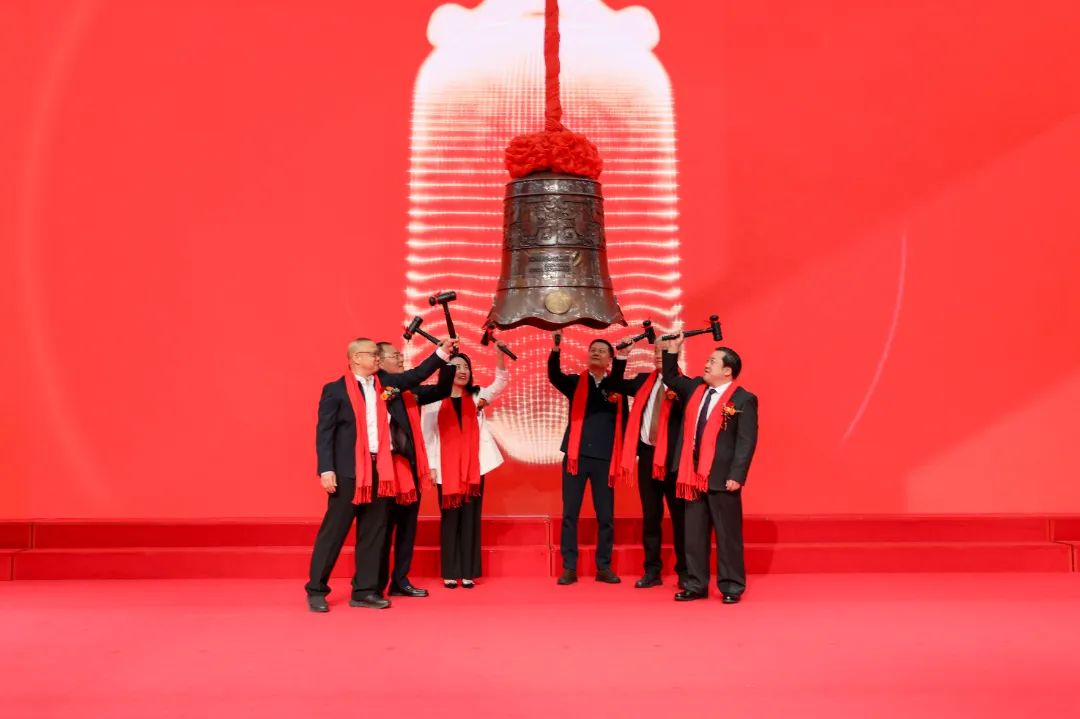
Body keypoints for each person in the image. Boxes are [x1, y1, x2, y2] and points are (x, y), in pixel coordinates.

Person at [306, 336, 456, 612]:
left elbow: (417, 375)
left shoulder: (387, 383)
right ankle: (316, 590)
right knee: (334, 532)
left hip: (381, 470)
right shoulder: (336, 390)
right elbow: (324, 434)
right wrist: (326, 469)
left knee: (374, 532)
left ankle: (364, 591)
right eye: (372, 354)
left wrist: (442, 353)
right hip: (349, 472)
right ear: (355, 358)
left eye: (378, 354)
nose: (377, 357)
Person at [662, 332, 758, 604]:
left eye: (713, 361)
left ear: (727, 371)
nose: (706, 364)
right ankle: (695, 584)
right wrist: (673, 349)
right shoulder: (696, 389)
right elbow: (671, 377)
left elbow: (746, 442)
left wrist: (737, 475)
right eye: (707, 360)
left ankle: (731, 586)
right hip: (692, 476)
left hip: (722, 477)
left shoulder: (743, 399)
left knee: (727, 536)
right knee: (694, 535)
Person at [420, 341, 511, 588]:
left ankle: (469, 571)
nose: (462, 371)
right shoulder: (433, 399)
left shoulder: (478, 396)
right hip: (446, 469)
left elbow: (500, 383)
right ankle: (451, 571)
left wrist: (500, 357)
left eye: (466, 367)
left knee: (471, 518)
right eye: (456, 366)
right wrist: (430, 466)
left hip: (474, 468)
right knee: (450, 519)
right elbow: (428, 435)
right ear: (446, 371)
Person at [374, 341, 455, 600]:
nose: (400, 358)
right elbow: (415, 375)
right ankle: (374, 584)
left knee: (407, 528)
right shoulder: (381, 382)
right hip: (387, 470)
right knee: (382, 530)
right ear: (379, 360)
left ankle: (400, 580)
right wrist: (440, 353)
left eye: (400, 355)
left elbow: (442, 389)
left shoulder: (408, 391)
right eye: (394, 355)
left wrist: (449, 362)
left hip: (410, 467)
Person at [548, 330, 627, 585]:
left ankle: (603, 567)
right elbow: (554, 376)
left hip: (605, 458)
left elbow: (625, 422)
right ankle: (569, 567)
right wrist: (556, 349)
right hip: (576, 457)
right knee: (570, 514)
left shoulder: (617, 385)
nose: (596, 353)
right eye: (593, 350)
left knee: (605, 516)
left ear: (610, 359)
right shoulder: (575, 382)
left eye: (602, 351)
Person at [608, 338, 687, 589]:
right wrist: (622, 357)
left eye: (664, 352)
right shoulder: (644, 381)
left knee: (680, 518)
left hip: (673, 461)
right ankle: (652, 571)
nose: (658, 356)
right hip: (648, 457)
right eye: (656, 352)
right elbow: (613, 384)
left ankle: (685, 572)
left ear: (675, 354)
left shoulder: (686, 384)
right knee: (651, 517)